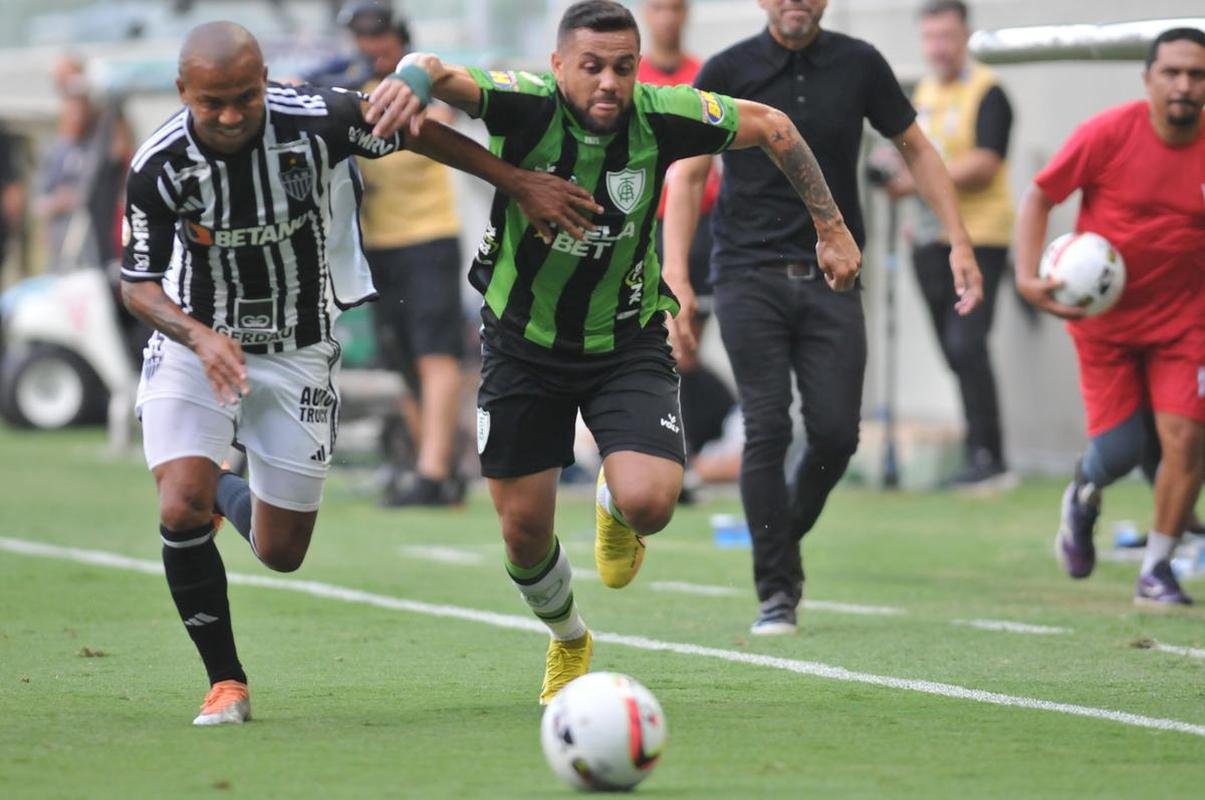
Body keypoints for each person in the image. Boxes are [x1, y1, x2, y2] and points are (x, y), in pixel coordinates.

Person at [365, 0, 860, 703]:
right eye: (591, 67)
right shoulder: (524, 104)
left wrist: (831, 227)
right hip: (520, 345)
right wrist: (415, 83)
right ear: (559, 65)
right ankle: (569, 637)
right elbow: (433, 73)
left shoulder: (662, 116)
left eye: (622, 68)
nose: (608, 83)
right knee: (523, 534)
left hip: (625, 338)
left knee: (652, 503)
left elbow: (775, 126)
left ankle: (614, 501)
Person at [121, 20, 600, 726]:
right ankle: (226, 680)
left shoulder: (320, 119)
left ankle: (215, 488)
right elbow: (137, 285)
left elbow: (413, 130)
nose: (229, 116)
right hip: (197, 345)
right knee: (177, 506)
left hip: (300, 346)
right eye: (211, 103)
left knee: (283, 552)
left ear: (265, 83)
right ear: (182, 91)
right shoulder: (159, 165)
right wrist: (198, 336)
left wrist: (517, 181)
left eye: (244, 99)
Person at [663, 0, 982, 635]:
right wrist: (676, 275)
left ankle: (779, 538)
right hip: (748, 274)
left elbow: (916, 149)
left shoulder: (860, 64)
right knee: (767, 428)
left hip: (835, 274)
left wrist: (959, 240)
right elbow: (691, 173)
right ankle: (776, 590)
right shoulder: (727, 68)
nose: (795, 3)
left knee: (837, 433)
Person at [1014, 27, 1204, 606]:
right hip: (1106, 323)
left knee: (1187, 441)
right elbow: (1040, 196)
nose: (1184, 85)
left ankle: (1157, 568)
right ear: (1147, 78)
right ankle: (1083, 496)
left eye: (1196, 75)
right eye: (1171, 73)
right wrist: (1027, 278)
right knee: (1120, 453)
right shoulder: (1108, 133)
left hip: (1187, 322)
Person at [340, 3, 470, 506]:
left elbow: (440, 115)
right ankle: (430, 464)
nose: (370, 46)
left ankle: (434, 472)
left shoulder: (420, 80)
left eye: (378, 36)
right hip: (377, 243)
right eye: (362, 38)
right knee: (401, 359)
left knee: (436, 353)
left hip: (428, 235)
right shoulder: (355, 84)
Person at [883, 0, 1015, 490]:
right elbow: (908, 157)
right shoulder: (924, 91)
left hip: (980, 236)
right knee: (952, 350)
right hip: (927, 239)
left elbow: (985, 164)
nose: (939, 46)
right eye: (931, 37)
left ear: (965, 36)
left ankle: (991, 457)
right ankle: (979, 451)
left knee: (967, 343)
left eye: (947, 36)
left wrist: (918, 181)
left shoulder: (988, 91)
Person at [637, 0, 733, 500]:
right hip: (646, 225)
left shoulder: (706, 75)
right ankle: (673, 456)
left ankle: (687, 454)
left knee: (686, 347)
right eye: (658, 9)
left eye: (675, 9)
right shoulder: (631, 77)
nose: (667, 19)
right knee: (661, 348)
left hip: (703, 228)